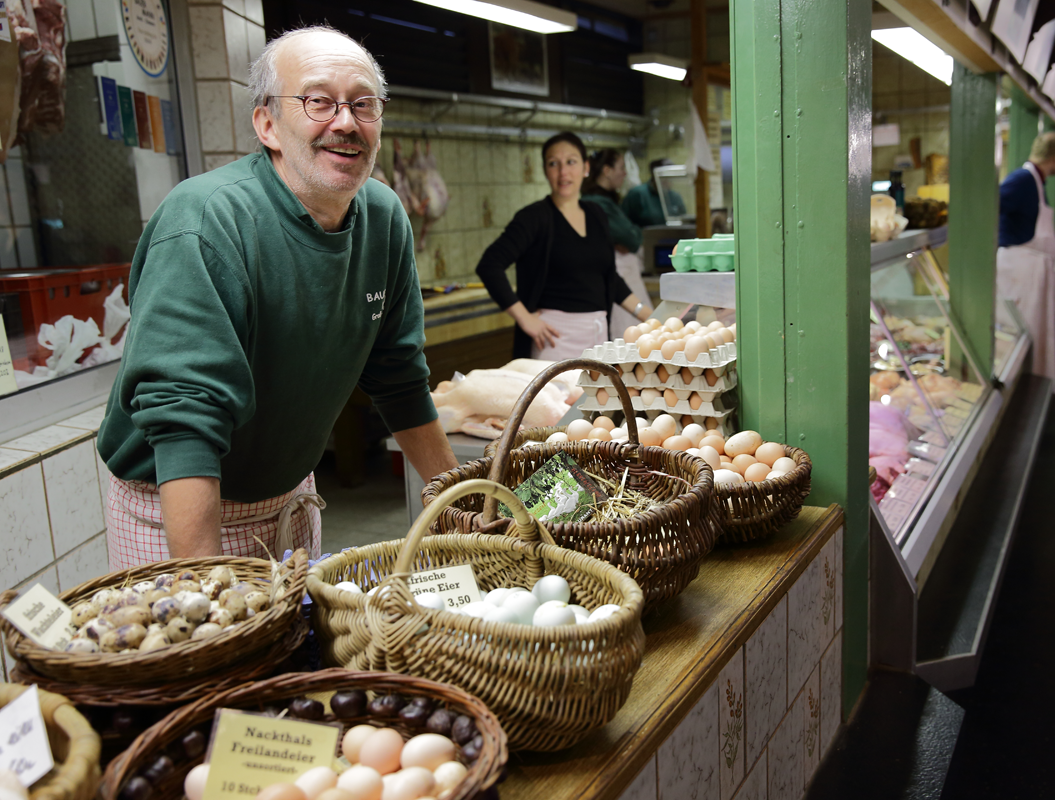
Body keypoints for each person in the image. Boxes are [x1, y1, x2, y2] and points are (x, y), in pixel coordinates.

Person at [96, 26, 458, 568]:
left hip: (289, 496)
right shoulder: (205, 222)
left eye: (363, 104)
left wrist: (463, 510)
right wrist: (207, 588)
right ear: (267, 123)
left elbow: (399, 377)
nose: (345, 121)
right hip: (179, 507)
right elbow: (186, 418)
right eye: (318, 101)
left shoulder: (383, 217)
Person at [475, 132, 652, 360]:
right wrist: (524, 318)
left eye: (571, 161)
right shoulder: (534, 217)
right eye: (553, 164)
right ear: (545, 170)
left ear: (585, 167)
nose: (563, 172)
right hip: (554, 341)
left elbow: (608, 277)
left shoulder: (596, 215)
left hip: (598, 336)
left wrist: (648, 315)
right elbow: (490, 265)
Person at [996, 132, 1055, 390]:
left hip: (1032, 270)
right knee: (1020, 332)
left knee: (1034, 332)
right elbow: (993, 204)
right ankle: (1018, 385)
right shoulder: (1022, 179)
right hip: (1018, 270)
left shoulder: (1037, 181)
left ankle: (1033, 382)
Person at [581, 148, 654, 338]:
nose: (625, 173)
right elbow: (631, 237)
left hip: (623, 284)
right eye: (621, 167)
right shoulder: (597, 204)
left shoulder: (607, 201)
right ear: (607, 171)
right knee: (629, 338)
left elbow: (632, 236)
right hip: (618, 279)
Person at [622, 157, 688, 227]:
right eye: (665, 177)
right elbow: (625, 223)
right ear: (654, 177)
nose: (669, 181)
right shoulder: (637, 194)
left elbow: (683, 220)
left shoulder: (675, 197)